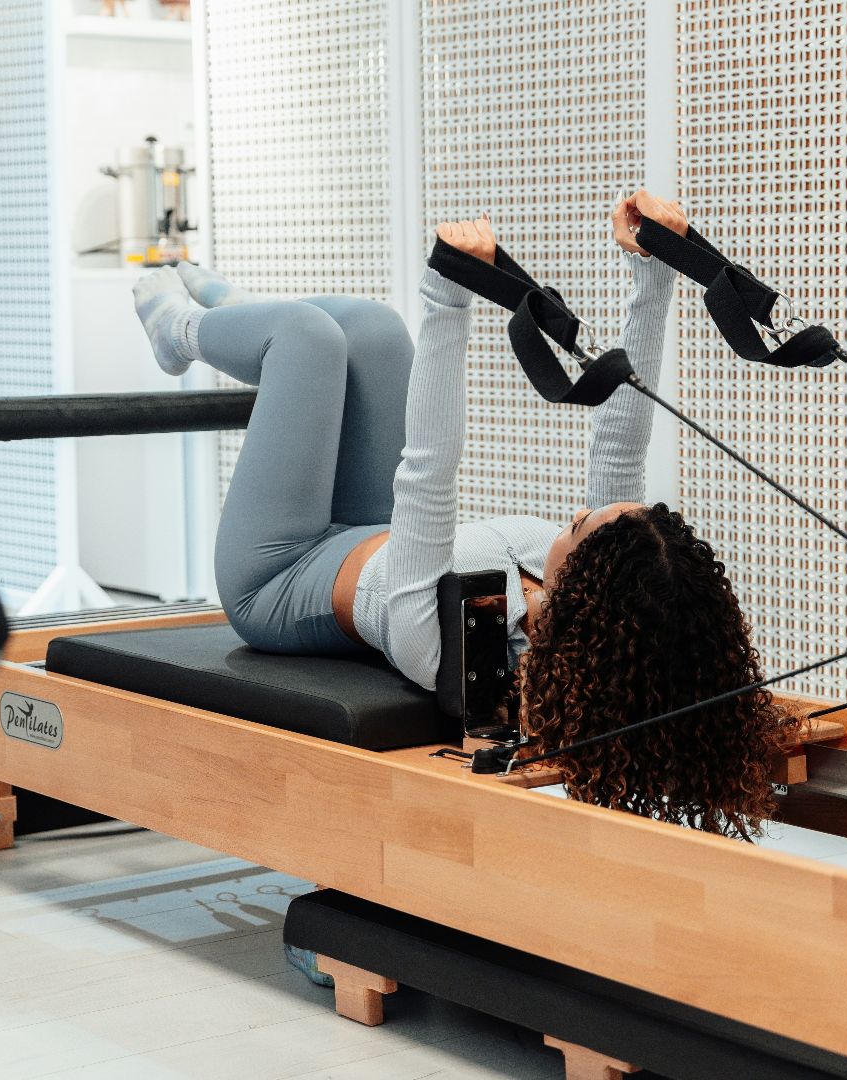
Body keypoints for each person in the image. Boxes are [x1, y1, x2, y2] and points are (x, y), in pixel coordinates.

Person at [133, 192, 789, 842]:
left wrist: (448, 298)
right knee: (373, 330)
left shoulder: (456, 643)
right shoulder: (578, 582)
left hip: (276, 573)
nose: (582, 509)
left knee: (305, 340)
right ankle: (231, 309)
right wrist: (652, 272)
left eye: (582, 525)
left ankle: (177, 331)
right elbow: (622, 442)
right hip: (367, 529)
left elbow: (427, 471)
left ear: (584, 590)